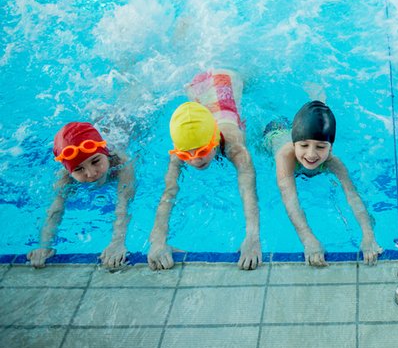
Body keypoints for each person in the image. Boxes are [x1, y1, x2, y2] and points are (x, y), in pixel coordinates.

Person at [147, 69, 261, 270]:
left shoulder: (235, 146)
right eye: (186, 155)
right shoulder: (180, 151)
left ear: (215, 140)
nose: (195, 160)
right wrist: (157, 241)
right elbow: (168, 194)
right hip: (199, 87)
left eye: (202, 151)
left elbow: (248, 191)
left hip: (227, 79)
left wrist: (252, 237)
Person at [264, 100, 382, 267]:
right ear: (294, 144)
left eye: (320, 147)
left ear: (330, 148)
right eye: (304, 145)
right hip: (273, 131)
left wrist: (368, 234)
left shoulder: (333, 163)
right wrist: (308, 239)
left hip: (298, 130)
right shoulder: (285, 158)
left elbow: (353, 196)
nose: (311, 154)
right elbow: (290, 201)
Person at [28, 122, 135, 269]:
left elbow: (123, 204)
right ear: (69, 171)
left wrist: (117, 242)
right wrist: (44, 245)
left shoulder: (122, 164)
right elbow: (54, 211)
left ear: (105, 152)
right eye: (78, 169)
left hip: (126, 127)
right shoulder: (64, 178)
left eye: (95, 161)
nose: (91, 173)